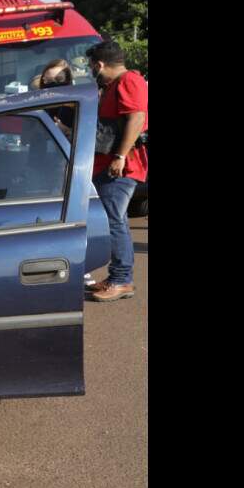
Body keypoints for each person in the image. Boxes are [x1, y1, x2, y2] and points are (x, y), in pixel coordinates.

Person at [84, 40, 147, 302]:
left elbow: (137, 117)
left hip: (122, 166)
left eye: (91, 67)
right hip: (110, 163)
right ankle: (117, 276)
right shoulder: (112, 86)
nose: (91, 71)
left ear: (100, 65)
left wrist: (120, 156)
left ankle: (122, 279)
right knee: (111, 219)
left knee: (114, 220)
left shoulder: (128, 81)